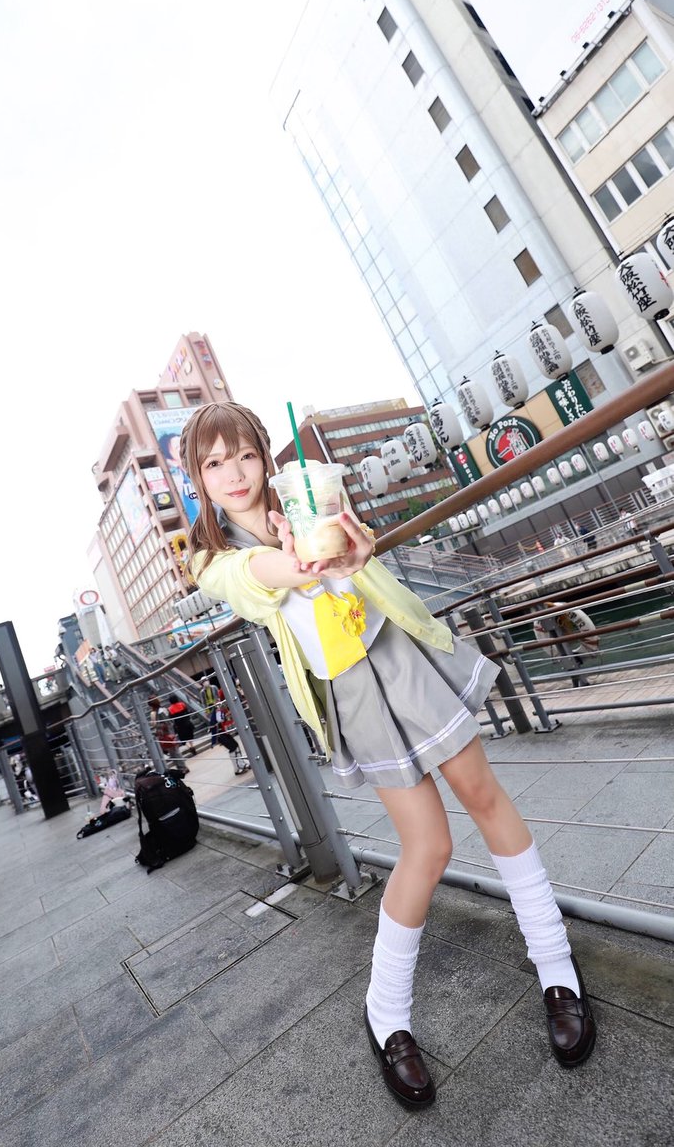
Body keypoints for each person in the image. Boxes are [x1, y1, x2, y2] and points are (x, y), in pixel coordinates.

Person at [180, 401, 595, 1110]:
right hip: (350, 688)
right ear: (198, 479)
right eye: (215, 463)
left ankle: (557, 968)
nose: (235, 473)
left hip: (397, 650)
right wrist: (304, 556)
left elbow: (353, 551)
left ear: (265, 455)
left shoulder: (307, 491)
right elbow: (261, 575)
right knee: (427, 846)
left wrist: (355, 546)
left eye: (245, 454)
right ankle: (387, 1013)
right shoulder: (211, 559)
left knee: (484, 796)